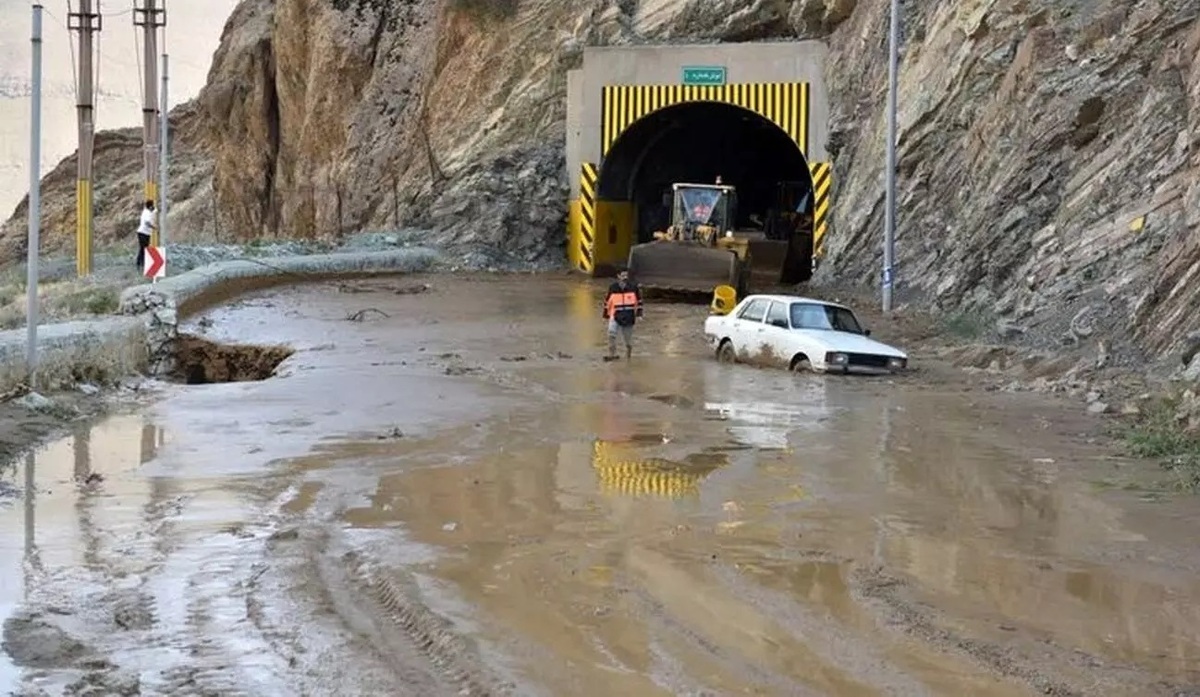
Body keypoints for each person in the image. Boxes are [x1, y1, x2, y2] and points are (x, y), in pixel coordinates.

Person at [602, 268, 643, 361]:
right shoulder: (613, 287)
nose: (625, 277)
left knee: (627, 340)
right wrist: (605, 315)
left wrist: (639, 314)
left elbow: (639, 301)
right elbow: (607, 302)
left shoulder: (633, 287)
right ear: (618, 276)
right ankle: (612, 354)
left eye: (626, 275)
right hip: (615, 314)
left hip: (628, 316)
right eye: (623, 275)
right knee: (611, 334)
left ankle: (628, 355)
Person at [136, 199, 157, 269]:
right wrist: (154, 227)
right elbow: (147, 223)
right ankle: (141, 263)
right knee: (144, 249)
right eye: (153, 205)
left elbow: (154, 211)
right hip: (143, 233)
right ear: (150, 206)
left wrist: (154, 210)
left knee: (143, 248)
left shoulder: (147, 211)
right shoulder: (147, 213)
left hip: (145, 233)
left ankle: (140, 263)